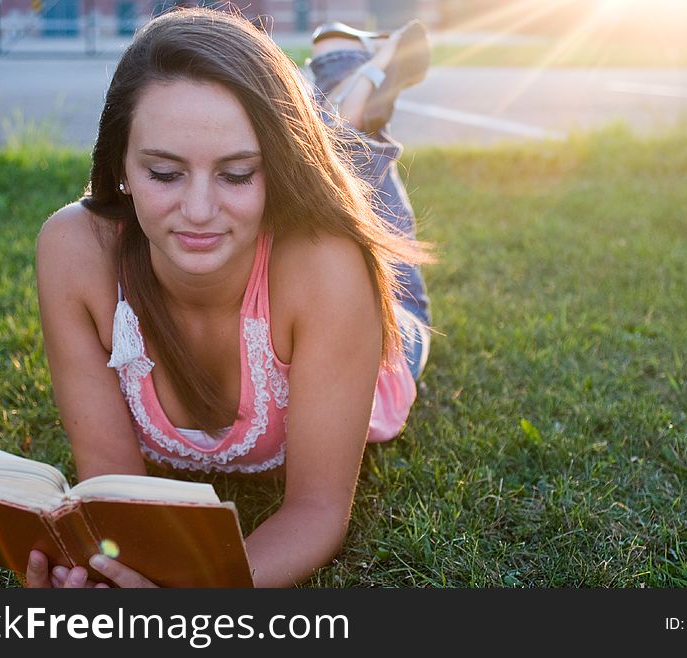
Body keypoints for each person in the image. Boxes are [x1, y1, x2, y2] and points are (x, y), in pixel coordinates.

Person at [27, 6, 432, 588]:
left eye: (238, 174)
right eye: (164, 173)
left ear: (275, 171)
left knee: (357, 169)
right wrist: (106, 575)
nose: (197, 211)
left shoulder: (328, 270)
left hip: (381, 327)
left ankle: (351, 73)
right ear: (119, 163)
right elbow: (113, 493)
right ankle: (339, 85)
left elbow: (316, 511)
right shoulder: (74, 251)